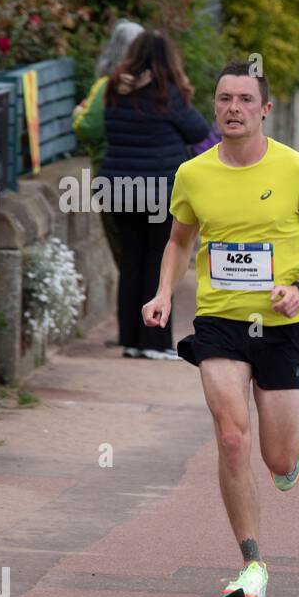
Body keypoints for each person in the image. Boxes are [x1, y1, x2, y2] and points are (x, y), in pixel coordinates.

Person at [141, 62, 299, 597]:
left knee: (276, 459)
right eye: (224, 98)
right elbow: (180, 240)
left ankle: (291, 458)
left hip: (281, 322)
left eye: (245, 99)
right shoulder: (194, 174)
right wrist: (164, 293)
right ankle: (251, 564)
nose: (233, 108)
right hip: (219, 320)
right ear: (214, 106)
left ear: (265, 110)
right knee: (232, 437)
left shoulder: (296, 169)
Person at [99, 29, 210, 359]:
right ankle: (156, 342)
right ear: (168, 58)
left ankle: (130, 339)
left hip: (119, 188)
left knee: (131, 263)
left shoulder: (114, 89)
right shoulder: (167, 93)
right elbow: (198, 130)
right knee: (159, 263)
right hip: (159, 190)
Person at [72, 18, 143, 272]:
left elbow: (89, 128)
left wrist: (77, 113)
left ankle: (134, 307)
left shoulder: (107, 86)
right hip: (156, 182)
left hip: (111, 174)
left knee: (125, 256)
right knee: (152, 262)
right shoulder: (156, 86)